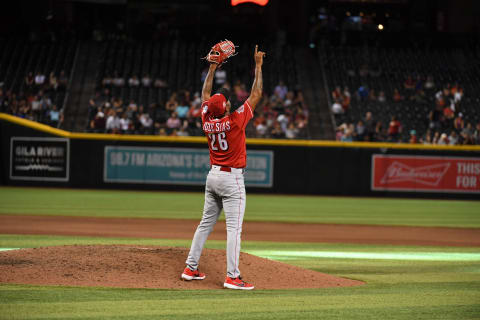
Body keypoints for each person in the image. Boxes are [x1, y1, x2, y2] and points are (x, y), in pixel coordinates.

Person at [181, 45, 265, 290]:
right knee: (234, 230)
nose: (227, 100)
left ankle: (190, 267)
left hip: (213, 176)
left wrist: (212, 67)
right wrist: (258, 66)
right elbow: (256, 95)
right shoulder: (235, 121)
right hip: (231, 180)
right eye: (226, 100)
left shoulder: (207, 118)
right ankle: (232, 276)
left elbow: (205, 94)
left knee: (205, 224)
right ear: (226, 107)